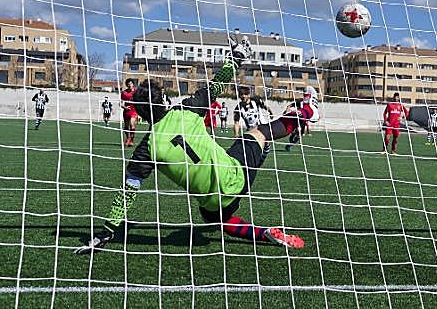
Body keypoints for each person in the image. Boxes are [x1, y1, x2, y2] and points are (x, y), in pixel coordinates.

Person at [74, 37, 319, 255]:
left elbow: (127, 192)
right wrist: (236, 58)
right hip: (236, 178)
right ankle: (308, 111)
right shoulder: (187, 109)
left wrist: (106, 232)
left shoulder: (146, 148)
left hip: (215, 203)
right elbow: (217, 84)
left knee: (214, 217)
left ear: (140, 113)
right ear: (164, 101)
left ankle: (262, 233)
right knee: (258, 133)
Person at [234, 86, 274, 161]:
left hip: (262, 126)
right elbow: (236, 122)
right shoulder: (238, 108)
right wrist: (236, 133)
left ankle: (262, 157)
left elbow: (264, 106)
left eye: (245, 94)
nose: (243, 96)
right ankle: (256, 160)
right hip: (251, 130)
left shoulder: (256, 101)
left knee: (266, 144)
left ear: (249, 95)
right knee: (253, 147)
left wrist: (270, 112)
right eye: (241, 94)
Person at [285, 87, 319, 152]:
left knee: (299, 135)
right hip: (297, 119)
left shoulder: (310, 104)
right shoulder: (300, 102)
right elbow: (290, 105)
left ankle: (290, 145)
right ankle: (292, 136)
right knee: (295, 132)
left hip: (303, 121)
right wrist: (287, 109)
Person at [121, 79, 137, 147]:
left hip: (134, 110)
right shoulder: (124, 93)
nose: (129, 85)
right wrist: (124, 107)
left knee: (132, 124)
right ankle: (128, 138)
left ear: (133, 84)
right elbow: (121, 103)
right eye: (128, 84)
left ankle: (132, 140)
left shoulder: (136, 92)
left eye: (130, 84)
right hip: (126, 111)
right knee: (126, 126)